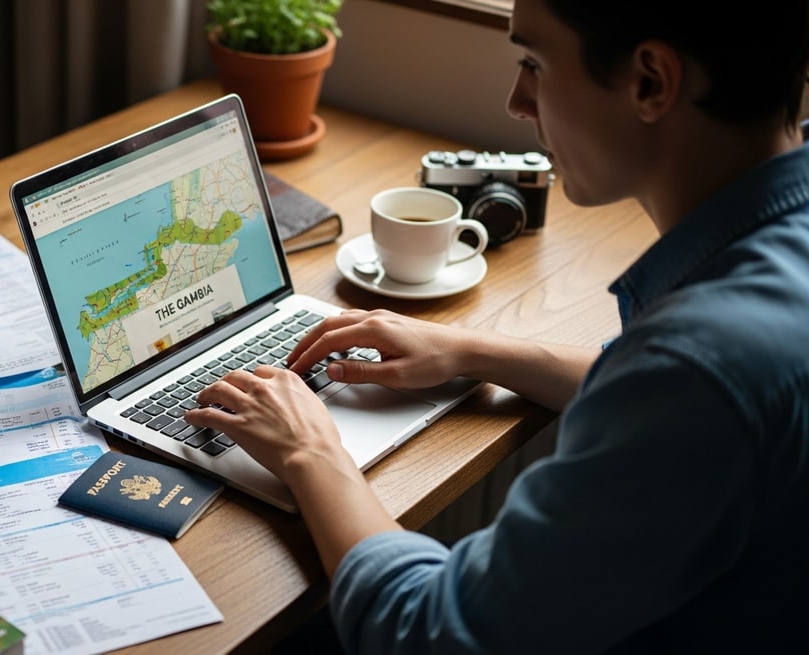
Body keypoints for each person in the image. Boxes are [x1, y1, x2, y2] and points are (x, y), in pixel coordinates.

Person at [184, 0, 809, 652]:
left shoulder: (696, 370)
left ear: (651, 81)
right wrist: (475, 350)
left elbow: (425, 633)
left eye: (534, 63)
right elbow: (667, 390)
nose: (517, 100)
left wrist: (310, 452)